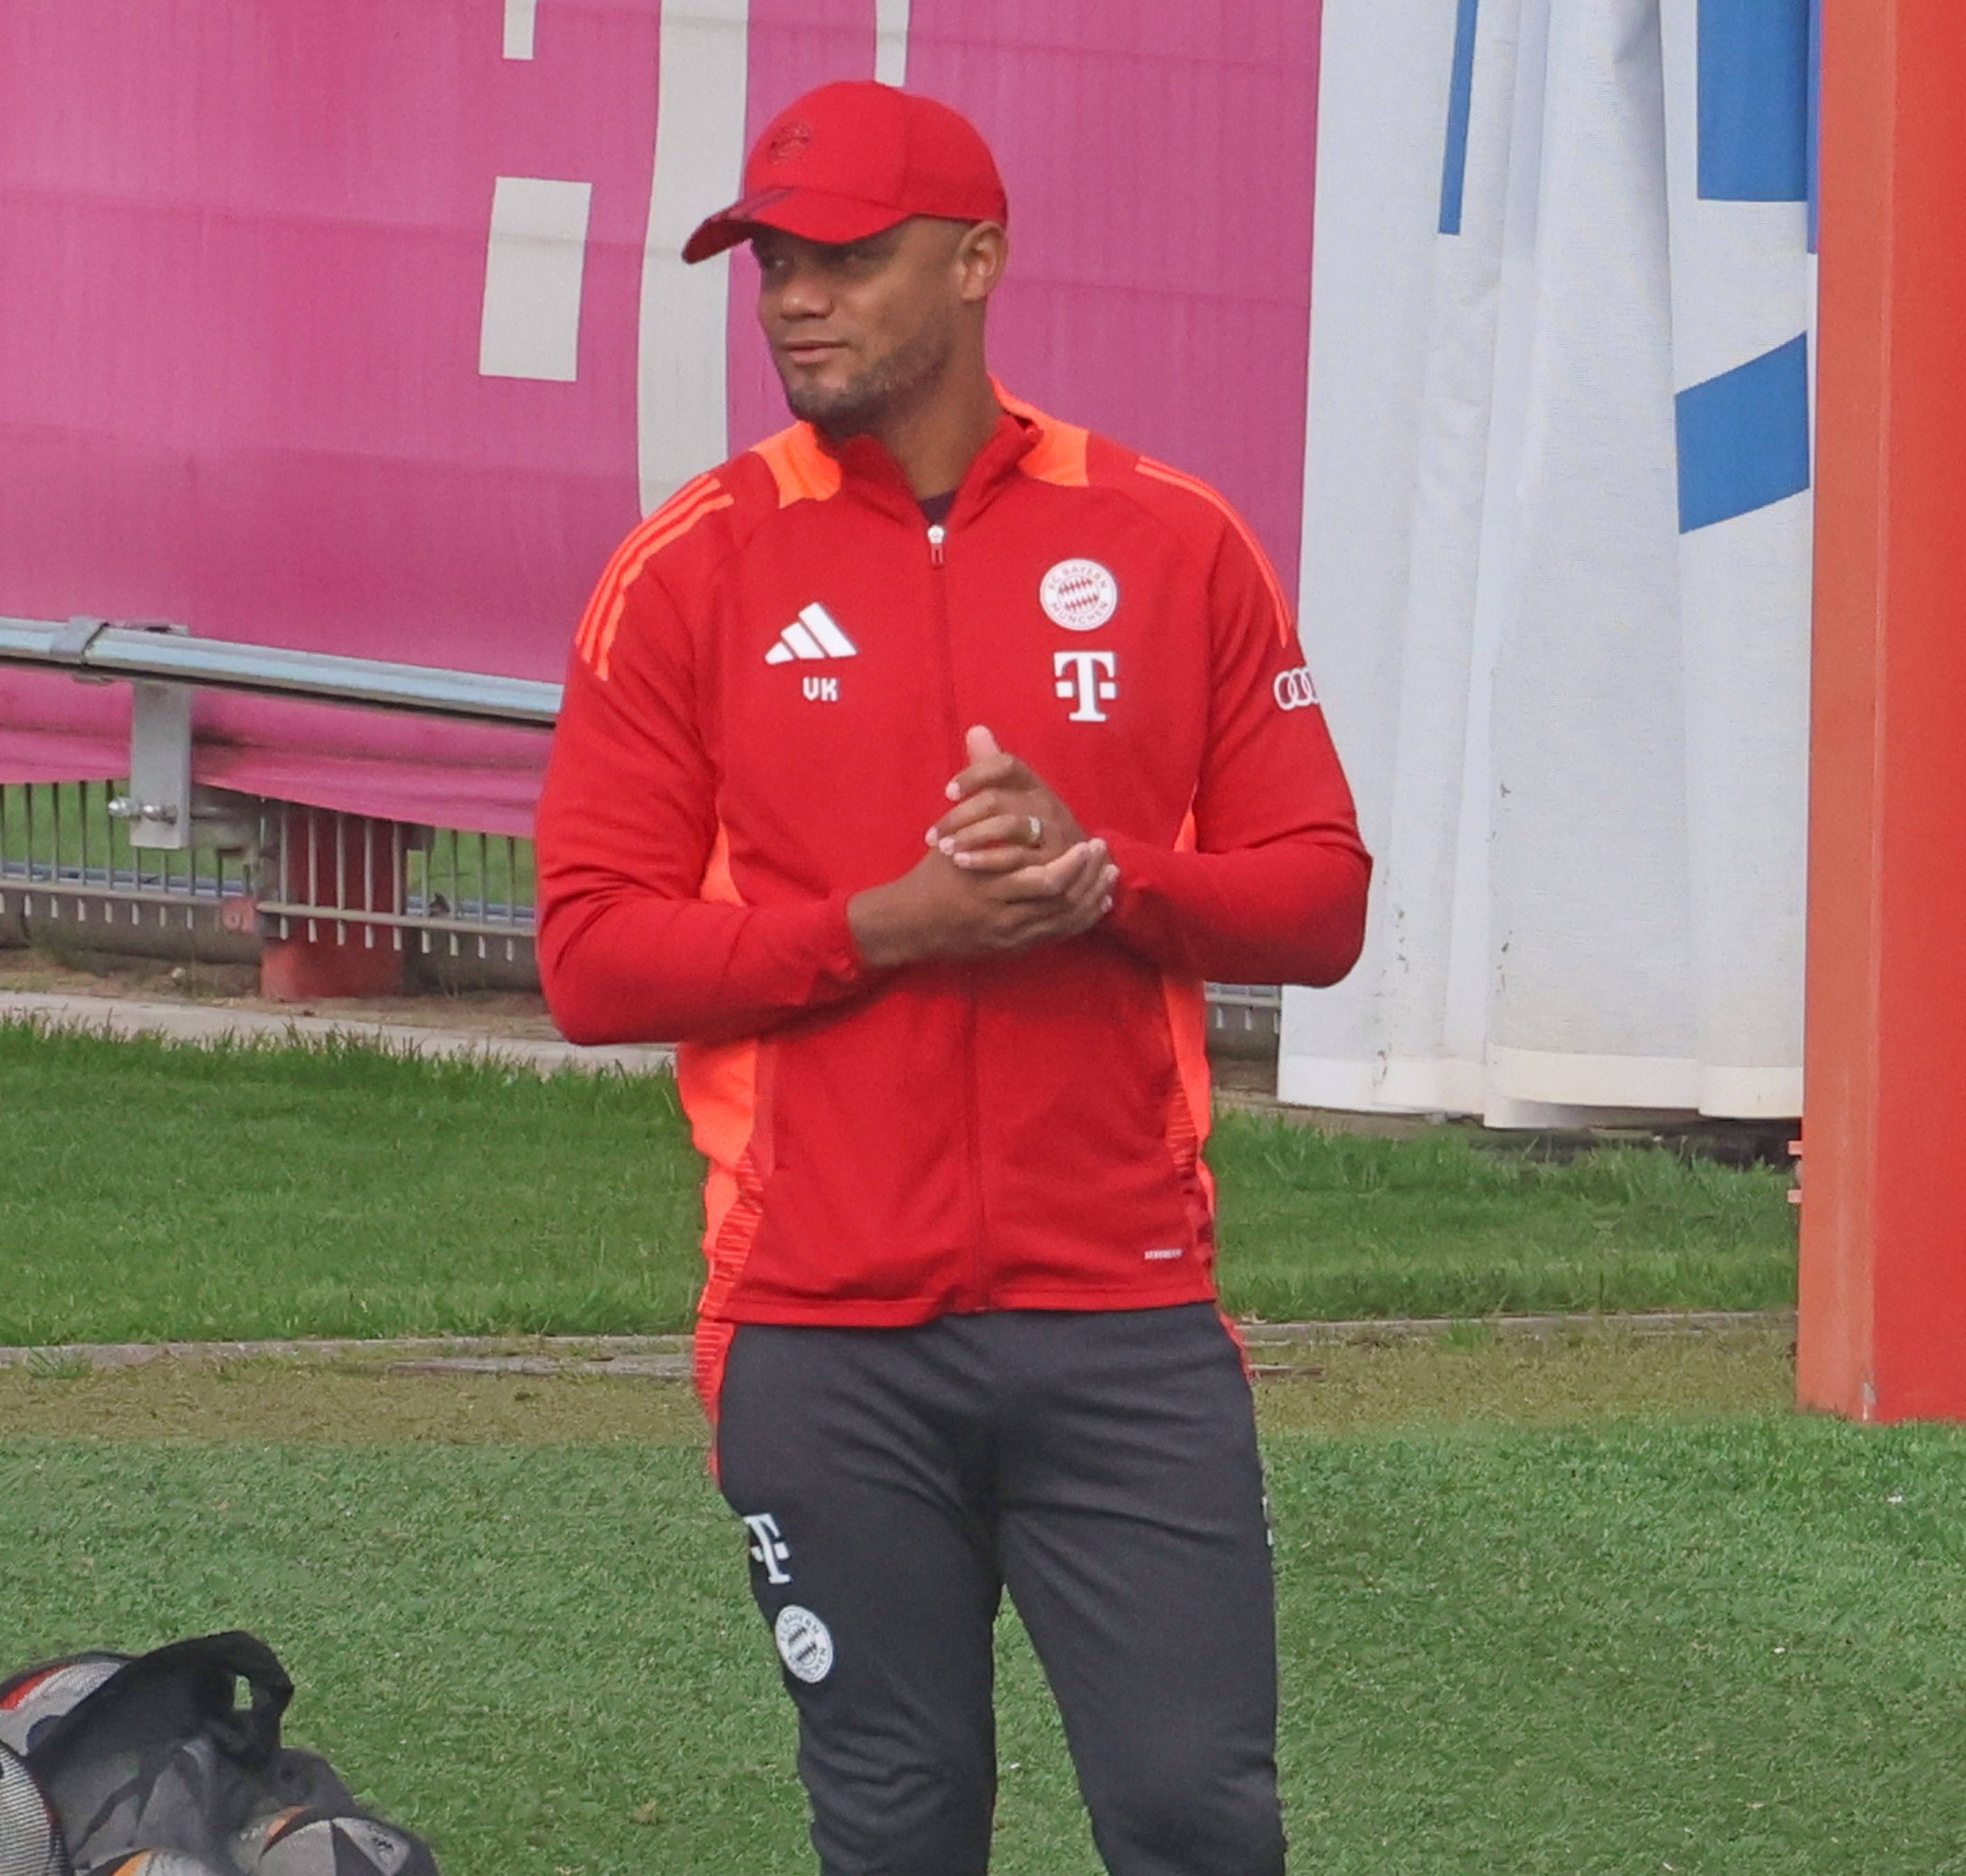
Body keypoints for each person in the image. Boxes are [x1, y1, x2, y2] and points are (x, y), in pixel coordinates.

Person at [535, 77, 1371, 1876]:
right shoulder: (689, 566)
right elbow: (590, 958)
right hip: (819, 1332)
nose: (794, 300)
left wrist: (1105, 880)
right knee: (898, 1826)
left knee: (1193, 1815)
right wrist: (878, 929)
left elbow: (1317, 901)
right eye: (769, 265)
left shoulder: (1169, 537)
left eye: (844, 256)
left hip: (1124, 1318)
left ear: (976, 261)